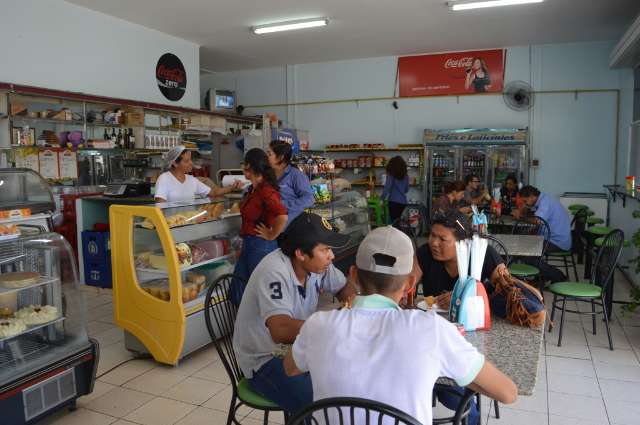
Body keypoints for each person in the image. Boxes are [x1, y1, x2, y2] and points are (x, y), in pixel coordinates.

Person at [283, 226, 517, 425]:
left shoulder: (317, 325)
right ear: (410, 283)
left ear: (353, 275)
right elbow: (507, 393)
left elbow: (290, 368)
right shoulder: (431, 330)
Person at [232, 212, 356, 415]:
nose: (331, 256)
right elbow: (280, 330)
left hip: (296, 348)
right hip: (263, 359)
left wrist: (349, 305)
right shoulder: (274, 271)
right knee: (318, 405)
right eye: (325, 249)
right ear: (300, 253)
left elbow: (345, 288)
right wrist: (330, 326)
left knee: (341, 385)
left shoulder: (318, 266)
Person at [410, 209, 511, 425]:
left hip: (476, 338)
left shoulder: (484, 254)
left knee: (461, 401)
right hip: (433, 336)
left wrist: (465, 297)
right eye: (432, 235)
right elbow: (406, 288)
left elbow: (509, 294)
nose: (434, 243)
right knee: (418, 385)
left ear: (461, 242)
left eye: (442, 239)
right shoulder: (425, 254)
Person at [231, 148, 288, 304]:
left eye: (244, 164)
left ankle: (262, 327)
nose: (243, 168)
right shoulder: (253, 189)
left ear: (251, 165)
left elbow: (282, 215)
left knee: (260, 295)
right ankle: (244, 325)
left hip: (261, 246)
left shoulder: (266, 190)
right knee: (239, 291)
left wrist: (271, 234)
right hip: (250, 244)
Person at [513, 185, 571, 283]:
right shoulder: (543, 200)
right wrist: (524, 208)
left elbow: (537, 220)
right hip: (552, 238)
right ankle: (542, 277)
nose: (525, 203)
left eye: (525, 201)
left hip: (557, 241)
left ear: (532, 196)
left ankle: (559, 276)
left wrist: (520, 217)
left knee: (528, 255)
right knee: (526, 249)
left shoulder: (545, 203)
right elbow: (535, 215)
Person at [154, 145, 242, 202]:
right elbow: (160, 205)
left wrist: (232, 187)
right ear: (175, 163)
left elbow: (214, 192)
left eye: (190, 159)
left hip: (187, 223)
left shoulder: (191, 180)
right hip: (170, 224)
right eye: (186, 161)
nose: (191, 163)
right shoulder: (164, 179)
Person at [267, 140, 315, 226]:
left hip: (290, 228)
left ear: (280, 157)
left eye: (270, 154)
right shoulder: (267, 174)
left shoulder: (296, 175)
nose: (266, 157)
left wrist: (282, 204)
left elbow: (309, 199)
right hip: (271, 225)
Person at [382, 156, 410, 222]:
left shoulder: (391, 175)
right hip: (403, 202)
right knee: (397, 221)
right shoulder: (406, 176)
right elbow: (406, 190)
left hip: (393, 202)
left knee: (392, 222)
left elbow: (387, 188)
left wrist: (382, 199)